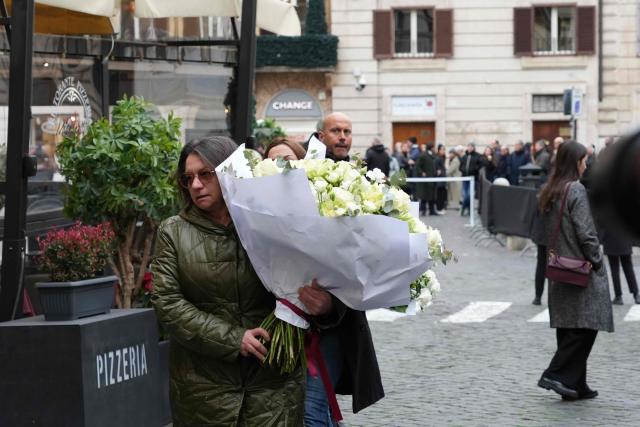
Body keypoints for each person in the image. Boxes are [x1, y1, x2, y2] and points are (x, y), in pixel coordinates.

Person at [151, 136, 304, 425]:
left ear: (229, 171)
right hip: (204, 391)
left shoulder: (270, 220)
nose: (196, 185)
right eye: (188, 178)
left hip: (272, 387)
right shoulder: (173, 232)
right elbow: (167, 302)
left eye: (205, 174)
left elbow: (303, 283)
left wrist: (318, 304)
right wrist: (235, 339)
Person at [308, 112, 384, 425]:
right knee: (314, 406)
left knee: (315, 403)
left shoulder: (360, 176)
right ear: (320, 135)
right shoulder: (306, 170)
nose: (342, 136)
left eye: (348, 131)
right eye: (335, 130)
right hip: (300, 305)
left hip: (341, 313)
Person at [537, 141, 613, 401]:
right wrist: (597, 260)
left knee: (569, 326)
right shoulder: (575, 190)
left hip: (559, 268)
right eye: (583, 160)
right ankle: (556, 373)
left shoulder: (551, 189)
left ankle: (575, 384)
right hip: (580, 267)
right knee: (587, 326)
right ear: (574, 162)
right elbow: (586, 232)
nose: (586, 165)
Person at [459, 142, 482, 216]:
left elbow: (479, 166)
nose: (469, 148)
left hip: (472, 178)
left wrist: (474, 170)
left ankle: (463, 207)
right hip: (465, 177)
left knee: (469, 194)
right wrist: (463, 170)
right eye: (468, 146)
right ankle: (468, 208)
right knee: (465, 194)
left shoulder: (477, 156)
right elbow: (461, 166)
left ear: (473, 148)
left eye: (471, 147)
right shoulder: (464, 157)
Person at [415, 143, 438, 216]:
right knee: (424, 196)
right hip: (425, 179)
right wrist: (422, 173)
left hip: (433, 178)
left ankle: (432, 210)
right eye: (434, 147)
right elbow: (417, 166)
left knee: (432, 195)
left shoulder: (434, 155)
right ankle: (423, 210)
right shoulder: (423, 155)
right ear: (431, 148)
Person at [435, 144, 448, 212]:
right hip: (439, 180)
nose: (443, 151)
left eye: (444, 149)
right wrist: (438, 170)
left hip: (443, 179)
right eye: (442, 149)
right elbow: (436, 167)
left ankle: (441, 207)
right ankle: (439, 208)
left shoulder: (443, 157)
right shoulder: (437, 158)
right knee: (439, 194)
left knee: (443, 194)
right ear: (439, 150)